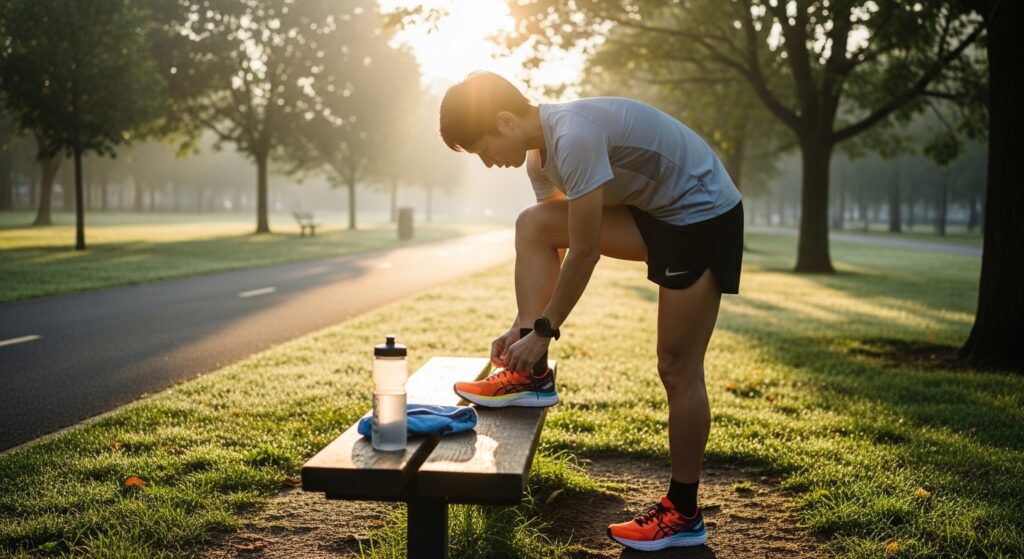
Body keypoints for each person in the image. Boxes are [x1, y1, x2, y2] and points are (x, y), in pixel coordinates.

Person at [441, 71, 743, 552]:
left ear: (503, 120)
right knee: (533, 224)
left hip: (700, 216)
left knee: (677, 367)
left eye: (481, 149)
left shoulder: (573, 137)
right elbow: (554, 241)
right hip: (655, 213)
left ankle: (684, 512)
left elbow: (585, 251)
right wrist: (523, 329)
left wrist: (545, 330)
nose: (487, 162)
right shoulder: (539, 156)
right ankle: (531, 376)